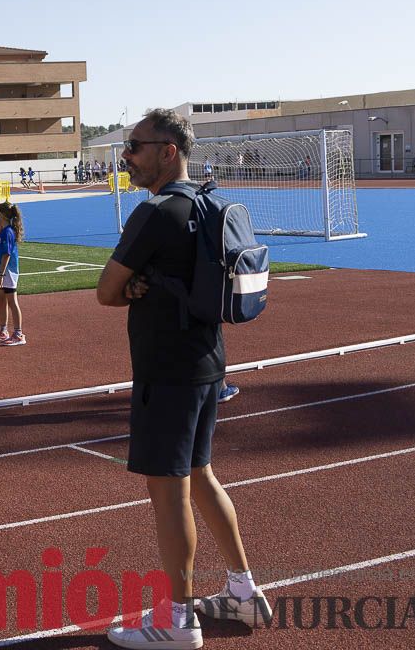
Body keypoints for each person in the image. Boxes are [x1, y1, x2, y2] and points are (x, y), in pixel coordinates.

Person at [96, 109, 267, 648]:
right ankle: (242, 591)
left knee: (168, 492)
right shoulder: (207, 204)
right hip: (207, 361)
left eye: (136, 146)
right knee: (200, 475)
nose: (127, 156)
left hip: (165, 368)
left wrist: (133, 287)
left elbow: (105, 290)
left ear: (168, 150)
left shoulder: (156, 213)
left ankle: (179, 620)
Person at [0, 201, 25, 346]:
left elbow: (6, 255)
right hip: (1, 270)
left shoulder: (8, 232)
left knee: (12, 301)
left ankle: (18, 334)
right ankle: (3, 331)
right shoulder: (3, 230)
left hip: (7, 271)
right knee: (2, 300)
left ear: (2, 216)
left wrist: (1, 275)